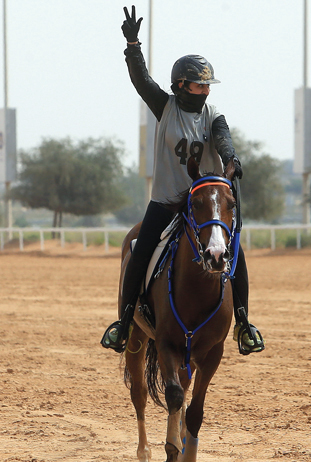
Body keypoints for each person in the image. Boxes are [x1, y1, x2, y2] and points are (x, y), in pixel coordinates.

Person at [101, 5, 265, 356]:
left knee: (235, 253)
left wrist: (232, 158)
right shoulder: (166, 106)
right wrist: (133, 45)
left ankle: (243, 323)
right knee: (140, 250)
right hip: (166, 200)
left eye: (208, 84)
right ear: (180, 85)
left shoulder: (214, 114)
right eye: (199, 83)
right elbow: (141, 81)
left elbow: (223, 140)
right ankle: (124, 321)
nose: (205, 89)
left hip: (203, 200)